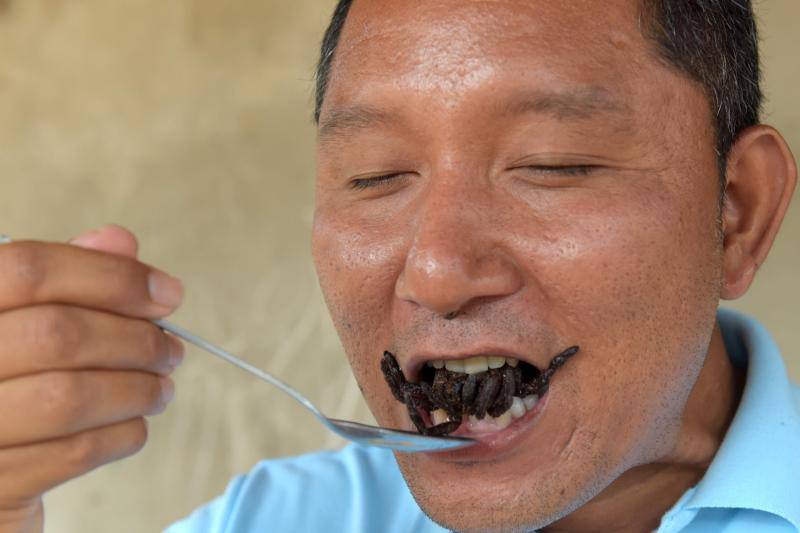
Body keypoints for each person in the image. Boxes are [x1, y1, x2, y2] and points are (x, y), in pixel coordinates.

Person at [0, 0, 797, 531]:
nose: (439, 273)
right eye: (376, 175)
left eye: (551, 164)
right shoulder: (276, 520)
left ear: (738, 211)